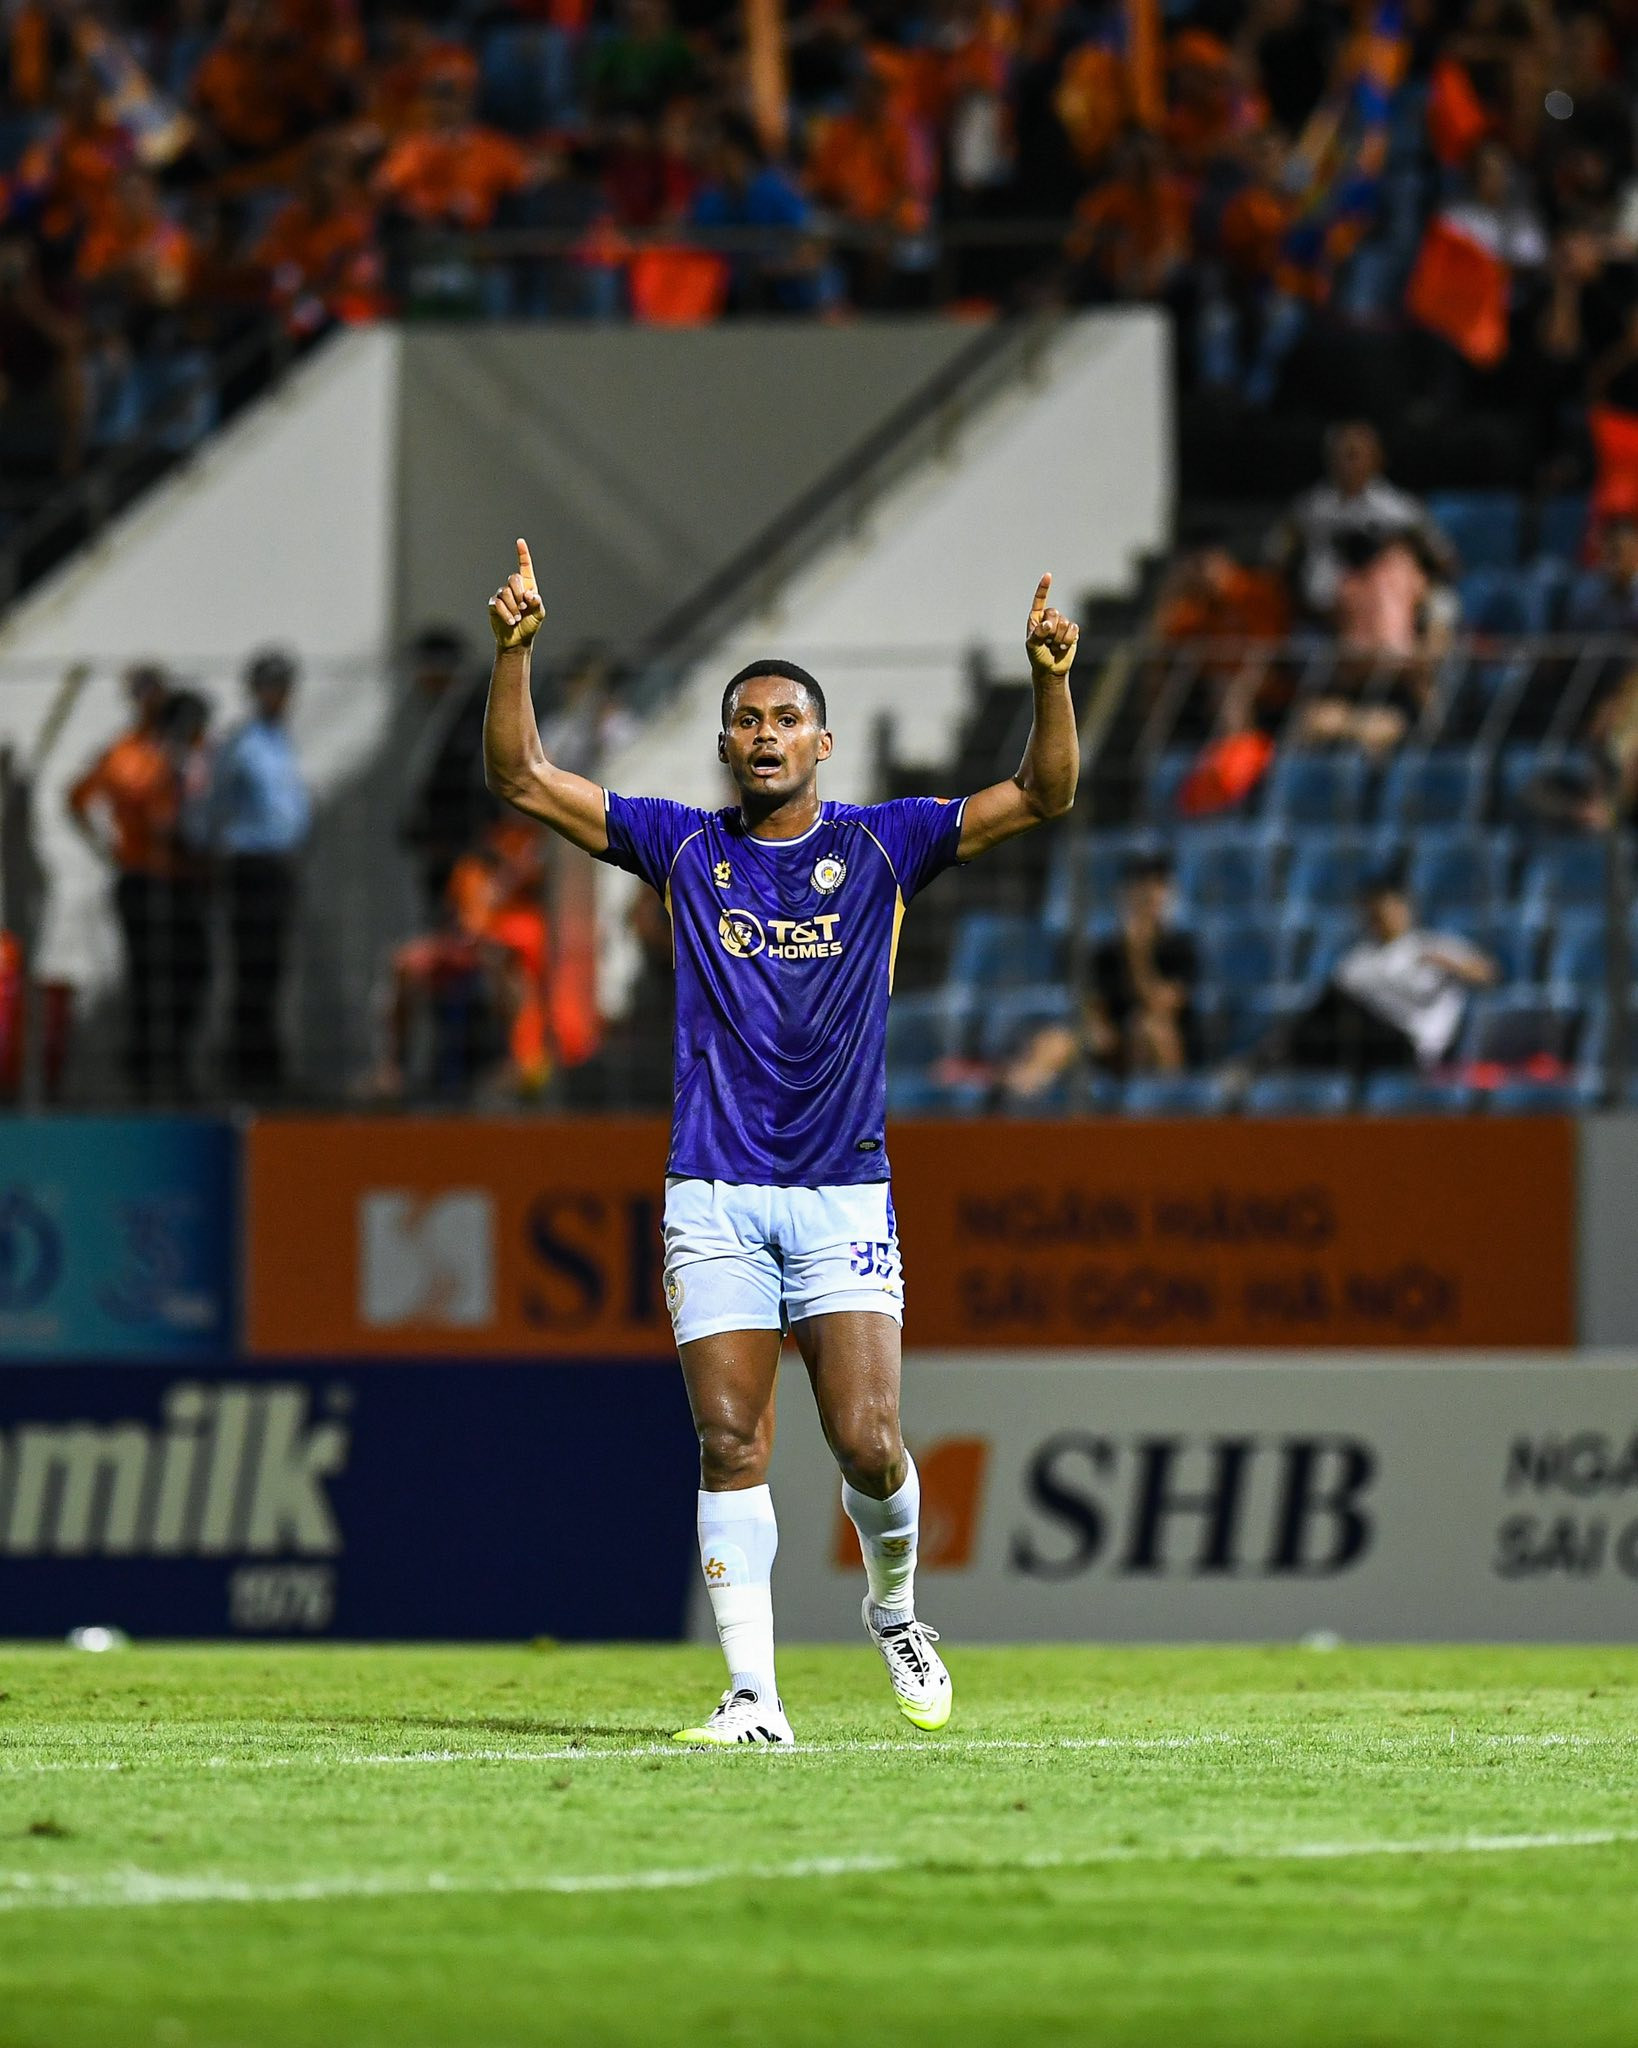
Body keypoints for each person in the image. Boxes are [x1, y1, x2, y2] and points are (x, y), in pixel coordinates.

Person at [483, 539, 1080, 1746]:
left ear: (823, 744)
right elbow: (524, 777)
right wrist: (515, 653)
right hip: (712, 1190)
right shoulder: (682, 847)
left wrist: (1052, 681)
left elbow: (1043, 793)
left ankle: (894, 1608)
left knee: (868, 1442)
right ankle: (754, 1695)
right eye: (747, 719)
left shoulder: (885, 843)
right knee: (729, 1436)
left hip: (842, 1192)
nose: (766, 734)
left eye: (787, 718)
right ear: (724, 745)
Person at [66, 662, 181, 1100]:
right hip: (140, 876)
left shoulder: (181, 746)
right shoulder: (122, 753)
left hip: (183, 878)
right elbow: (76, 799)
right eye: (141, 692)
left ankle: (174, 1062)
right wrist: (106, 849)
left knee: (184, 972)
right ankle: (145, 1066)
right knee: (145, 972)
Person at [1002, 852, 1200, 1103]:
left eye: (1155, 891)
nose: (1146, 900)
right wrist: (1097, 1026)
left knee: (1149, 1028)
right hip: (1115, 1047)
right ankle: (1015, 1106)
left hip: (1165, 1046)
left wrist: (1138, 954)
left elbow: (1161, 1006)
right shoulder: (1106, 951)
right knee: (1054, 1041)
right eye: (1140, 891)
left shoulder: (1181, 948)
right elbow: (1094, 1004)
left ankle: (1169, 1106)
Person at [209, 647, 311, 1096]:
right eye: (271, 687)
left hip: (277, 865)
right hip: (249, 865)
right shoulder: (242, 743)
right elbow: (215, 803)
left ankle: (266, 1063)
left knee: (272, 967)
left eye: (283, 687)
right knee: (251, 966)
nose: (279, 696)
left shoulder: (280, 738)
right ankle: (248, 1066)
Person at [1280, 870, 1497, 1078]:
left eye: (1389, 910)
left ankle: (1278, 1056)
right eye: (1375, 914)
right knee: (1320, 1023)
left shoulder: (1433, 946)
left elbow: (1487, 975)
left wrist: (1449, 965)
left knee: (1332, 1014)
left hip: (1412, 1045)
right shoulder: (1359, 958)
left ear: (1405, 908)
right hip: (1365, 1042)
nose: (1383, 918)